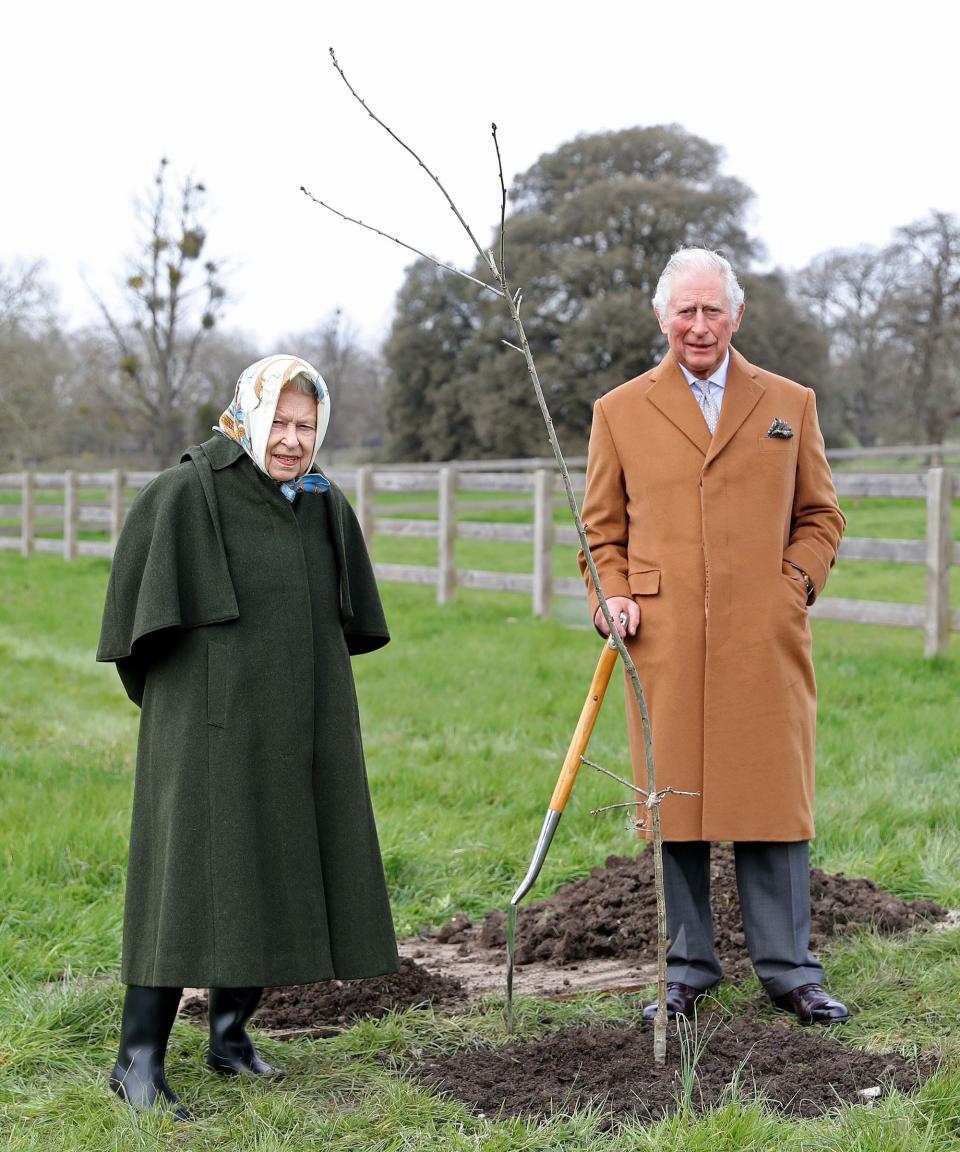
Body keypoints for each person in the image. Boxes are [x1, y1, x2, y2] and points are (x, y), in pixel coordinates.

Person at [97, 354, 397, 1116]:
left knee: (273, 863)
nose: (293, 440)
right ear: (250, 413)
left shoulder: (321, 504)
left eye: (308, 425)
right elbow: (136, 638)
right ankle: (137, 1061)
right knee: (185, 879)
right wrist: (191, 712)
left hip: (300, 722)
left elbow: (348, 618)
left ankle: (230, 1037)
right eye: (282, 422)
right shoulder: (183, 494)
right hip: (207, 727)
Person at [578, 249, 849, 1026]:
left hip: (763, 636)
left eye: (713, 311)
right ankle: (687, 970)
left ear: (737, 316)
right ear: (662, 318)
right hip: (661, 640)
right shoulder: (620, 410)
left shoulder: (787, 402)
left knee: (771, 797)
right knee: (677, 802)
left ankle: (791, 970)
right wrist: (617, 599)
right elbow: (600, 532)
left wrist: (791, 584)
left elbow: (821, 515)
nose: (699, 326)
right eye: (685, 312)